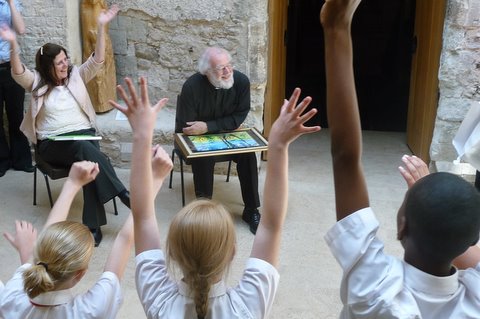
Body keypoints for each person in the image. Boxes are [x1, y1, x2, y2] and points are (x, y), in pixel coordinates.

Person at [109, 76, 320, 318]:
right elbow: (271, 225)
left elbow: (143, 216)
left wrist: (141, 135)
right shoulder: (246, 308)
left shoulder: (159, 303)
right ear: (232, 252)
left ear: (173, 253)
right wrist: (279, 145)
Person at [322, 0, 480, 318]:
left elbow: (344, 155)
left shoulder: (377, 292)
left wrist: (336, 25)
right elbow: (344, 157)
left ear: (401, 226)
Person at [0, 4, 129, 246]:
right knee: (86, 152)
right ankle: (122, 194)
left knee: (86, 157)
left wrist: (101, 27)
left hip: (83, 138)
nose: (65, 65)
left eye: (66, 59)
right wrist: (13, 45)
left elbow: (98, 60)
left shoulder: (76, 76)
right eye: (59, 62)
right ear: (47, 67)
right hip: (53, 144)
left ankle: (93, 225)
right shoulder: (37, 82)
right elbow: (18, 72)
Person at [0, 160, 134, 318]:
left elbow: (35, 263)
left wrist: (72, 183)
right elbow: (124, 240)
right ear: (79, 274)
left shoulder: (10, 298)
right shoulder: (91, 310)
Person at [175, 47, 261, 234]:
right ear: (207, 71)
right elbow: (189, 127)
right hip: (192, 140)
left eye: (229, 65)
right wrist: (224, 125)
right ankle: (204, 216)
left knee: (248, 153)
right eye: (221, 68)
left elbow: (239, 116)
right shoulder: (191, 87)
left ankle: (251, 209)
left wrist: (207, 126)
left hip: (216, 133)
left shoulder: (241, 82)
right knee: (204, 156)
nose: (228, 71)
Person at [0, 0, 33, 177]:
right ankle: (1, 161)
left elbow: (20, 29)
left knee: (16, 115)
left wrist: (11, 2)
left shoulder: (11, 4)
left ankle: (21, 161)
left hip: (11, 67)